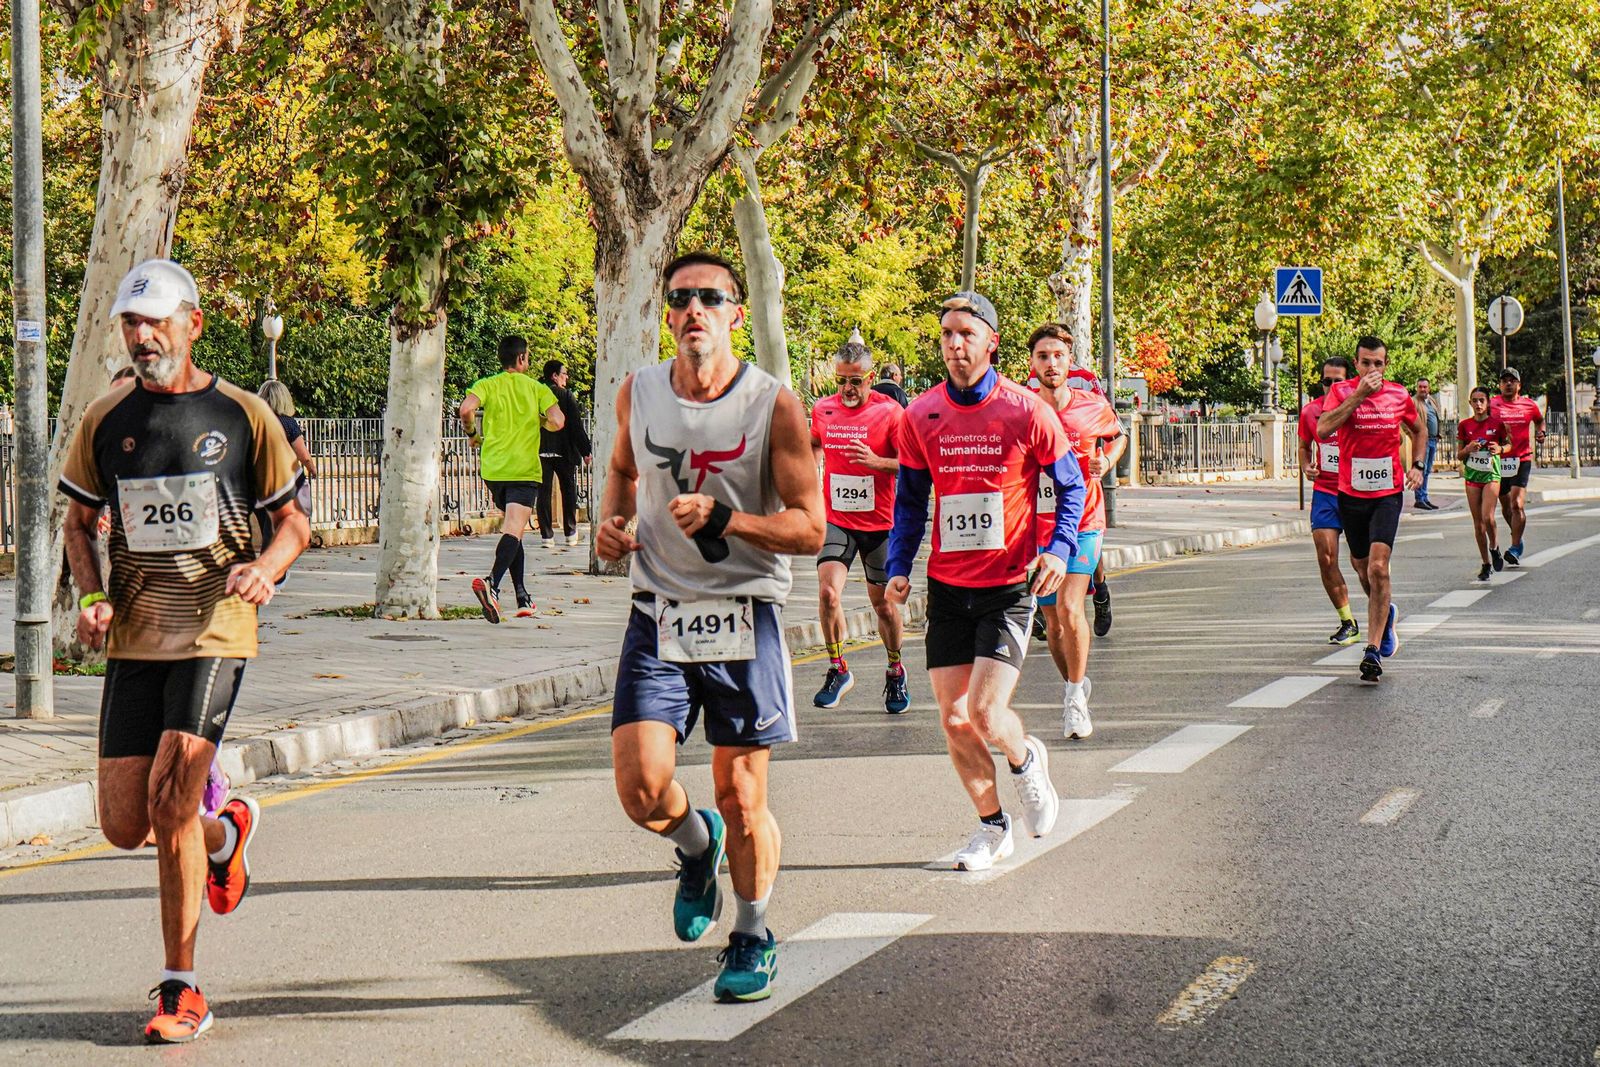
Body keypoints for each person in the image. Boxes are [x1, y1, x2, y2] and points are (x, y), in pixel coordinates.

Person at [58, 259, 309, 1044]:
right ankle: (227, 832)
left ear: (193, 323)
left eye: (156, 320)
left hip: (215, 627)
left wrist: (264, 570)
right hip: (137, 635)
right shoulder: (105, 420)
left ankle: (182, 987)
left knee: (171, 798)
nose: (142, 336)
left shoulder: (242, 417)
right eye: (131, 323)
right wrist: (93, 599)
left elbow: (294, 522)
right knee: (124, 822)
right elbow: (77, 524)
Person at [596, 251, 824, 1003]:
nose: (694, 309)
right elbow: (625, 471)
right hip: (657, 609)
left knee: (742, 793)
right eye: (681, 298)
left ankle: (754, 930)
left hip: (742, 614)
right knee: (640, 787)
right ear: (668, 314)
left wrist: (731, 518)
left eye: (710, 298)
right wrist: (612, 522)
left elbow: (810, 529)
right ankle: (698, 847)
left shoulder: (773, 405)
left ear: (734, 311)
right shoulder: (639, 392)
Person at [885, 292, 1085, 872]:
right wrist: (899, 565)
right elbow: (911, 502)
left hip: (1007, 586)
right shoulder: (920, 414)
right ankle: (992, 828)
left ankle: (1026, 762)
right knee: (952, 719)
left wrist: (1058, 549)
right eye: (946, 333)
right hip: (949, 586)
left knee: (987, 714)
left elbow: (1071, 487)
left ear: (991, 341)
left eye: (966, 333)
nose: (954, 343)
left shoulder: (1026, 411)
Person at [1027, 324, 1124, 740]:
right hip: (1039, 526)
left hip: (1084, 520)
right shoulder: (1022, 408)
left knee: (1070, 607)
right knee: (1051, 622)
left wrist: (1107, 462)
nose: (1051, 363)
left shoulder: (1091, 405)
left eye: (1058, 356)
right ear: (1032, 363)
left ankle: (1073, 702)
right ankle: (1075, 684)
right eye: (1043, 356)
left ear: (1070, 361)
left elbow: (1118, 436)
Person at [809, 333, 910, 713]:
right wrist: (808, 470)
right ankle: (838, 668)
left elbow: (913, 464)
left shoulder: (890, 413)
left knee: (883, 606)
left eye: (855, 380)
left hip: (881, 524)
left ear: (870, 378)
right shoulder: (823, 409)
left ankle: (895, 670)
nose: (847, 388)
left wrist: (877, 462)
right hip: (836, 519)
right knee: (828, 594)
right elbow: (814, 442)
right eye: (841, 381)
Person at [1317, 336, 1424, 683]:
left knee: (1379, 568)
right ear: (1357, 363)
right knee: (1362, 568)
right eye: (1366, 363)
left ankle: (1373, 650)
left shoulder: (1398, 395)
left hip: (1388, 493)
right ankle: (1386, 612)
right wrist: (1359, 394)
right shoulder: (1341, 392)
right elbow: (1323, 428)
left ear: (1385, 365)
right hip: (1351, 493)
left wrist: (1418, 464)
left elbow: (1419, 429)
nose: (1372, 370)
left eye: (1378, 364)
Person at [460, 336, 564, 622]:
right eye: (528, 357)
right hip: (523, 471)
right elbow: (558, 421)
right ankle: (492, 583)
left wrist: (472, 435)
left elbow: (465, 410)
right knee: (513, 530)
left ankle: (522, 596)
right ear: (522, 359)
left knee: (514, 530)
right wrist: (541, 420)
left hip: (494, 470)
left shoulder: (487, 384)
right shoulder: (537, 388)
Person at [1298, 355, 1361, 645]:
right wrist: (1306, 465)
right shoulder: (1310, 412)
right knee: (1326, 558)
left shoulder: (1363, 409)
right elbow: (1303, 445)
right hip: (1325, 492)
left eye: (1338, 381)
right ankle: (1347, 621)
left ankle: (1381, 613)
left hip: (1357, 492)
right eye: (1327, 381)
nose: (1332, 386)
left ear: (1350, 382)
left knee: (1363, 565)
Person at [255, 379, 317, 586]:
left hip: (256, 482)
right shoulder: (288, 423)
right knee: (277, 529)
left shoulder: (255, 420)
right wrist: (311, 468)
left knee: (266, 525)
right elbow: (303, 455)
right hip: (282, 484)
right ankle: (273, 574)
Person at [1490, 367, 1545, 566]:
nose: (1508, 383)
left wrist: (1541, 432)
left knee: (1517, 504)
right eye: (1504, 380)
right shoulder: (1492, 404)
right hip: (1499, 459)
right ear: (1499, 385)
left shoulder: (1529, 405)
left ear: (1519, 385)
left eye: (1512, 380)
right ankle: (1518, 535)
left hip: (1521, 459)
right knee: (1505, 507)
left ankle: (1514, 548)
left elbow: (1540, 420)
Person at [536, 359, 593, 547]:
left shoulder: (535, 394)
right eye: (564, 374)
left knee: (542, 493)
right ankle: (570, 532)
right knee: (568, 490)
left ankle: (547, 536)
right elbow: (575, 426)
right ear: (554, 376)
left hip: (540, 450)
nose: (566, 377)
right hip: (564, 451)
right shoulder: (566, 395)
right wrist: (586, 450)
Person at [1458, 386, 1509, 581]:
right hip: (1472, 477)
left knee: (1488, 517)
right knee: (1478, 524)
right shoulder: (1464, 425)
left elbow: (1508, 444)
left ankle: (1494, 546)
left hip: (1491, 475)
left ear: (1487, 403)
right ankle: (1486, 563)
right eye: (1475, 400)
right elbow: (1459, 455)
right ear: (1470, 403)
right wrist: (1469, 448)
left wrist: (1501, 449)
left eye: (1482, 400)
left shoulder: (1497, 424)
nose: (1478, 404)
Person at [1412, 378, 1441, 510]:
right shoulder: (1414, 402)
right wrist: (1414, 436)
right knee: (1421, 471)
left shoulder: (1431, 401)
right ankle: (1419, 499)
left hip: (1433, 440)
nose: (1423, 389)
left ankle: (1424, 497)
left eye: (1425, 387)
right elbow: (1405, 422)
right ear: (1417, 388)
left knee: (1427, 471)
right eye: (1420, 387)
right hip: (1423, 441)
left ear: (1429, 388)